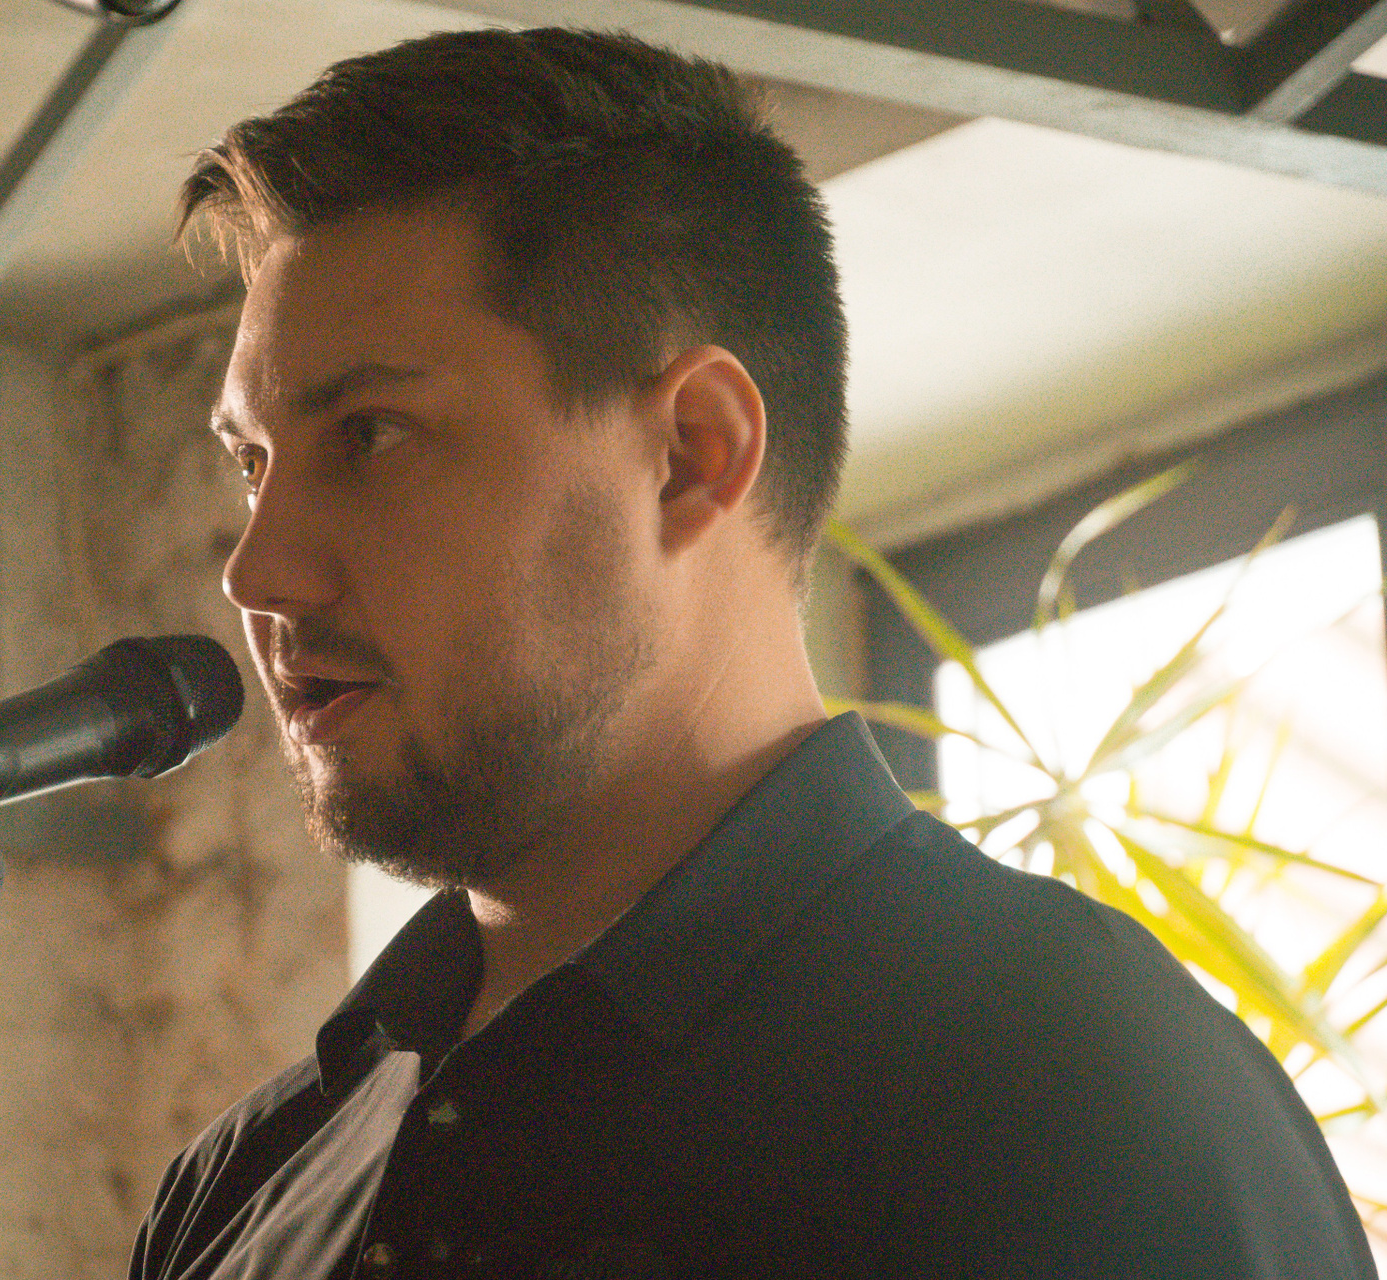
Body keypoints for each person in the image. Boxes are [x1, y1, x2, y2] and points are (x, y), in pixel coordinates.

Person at [131, 26, 1375, 1280]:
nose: (255, 571)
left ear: (692, 454)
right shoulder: (233, 1190)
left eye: (370, 435)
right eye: (253, 465)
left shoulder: (1084, 1092)